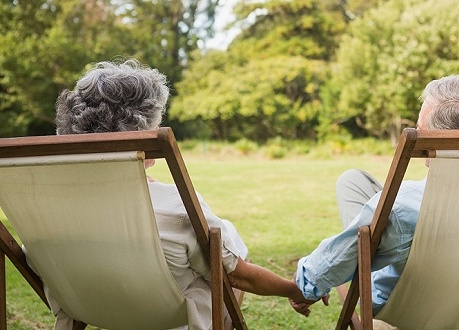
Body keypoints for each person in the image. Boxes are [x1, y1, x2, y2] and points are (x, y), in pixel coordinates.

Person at [33, 59, 312, 330]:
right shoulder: (177, 208)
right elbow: (239, 277)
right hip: (169, 316)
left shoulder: (44, 209)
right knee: (224, 238)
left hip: (90, 307)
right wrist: (294, 290)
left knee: (222, 235)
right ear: (145, 130)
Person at [290, 75, 459, 320]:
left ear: (434, 143)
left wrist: (306, 287)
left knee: (373, 225)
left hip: (399, 306)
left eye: (421, 126)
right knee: (354, 180)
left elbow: (316, 274)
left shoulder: (401, 208)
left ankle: (369, 248)